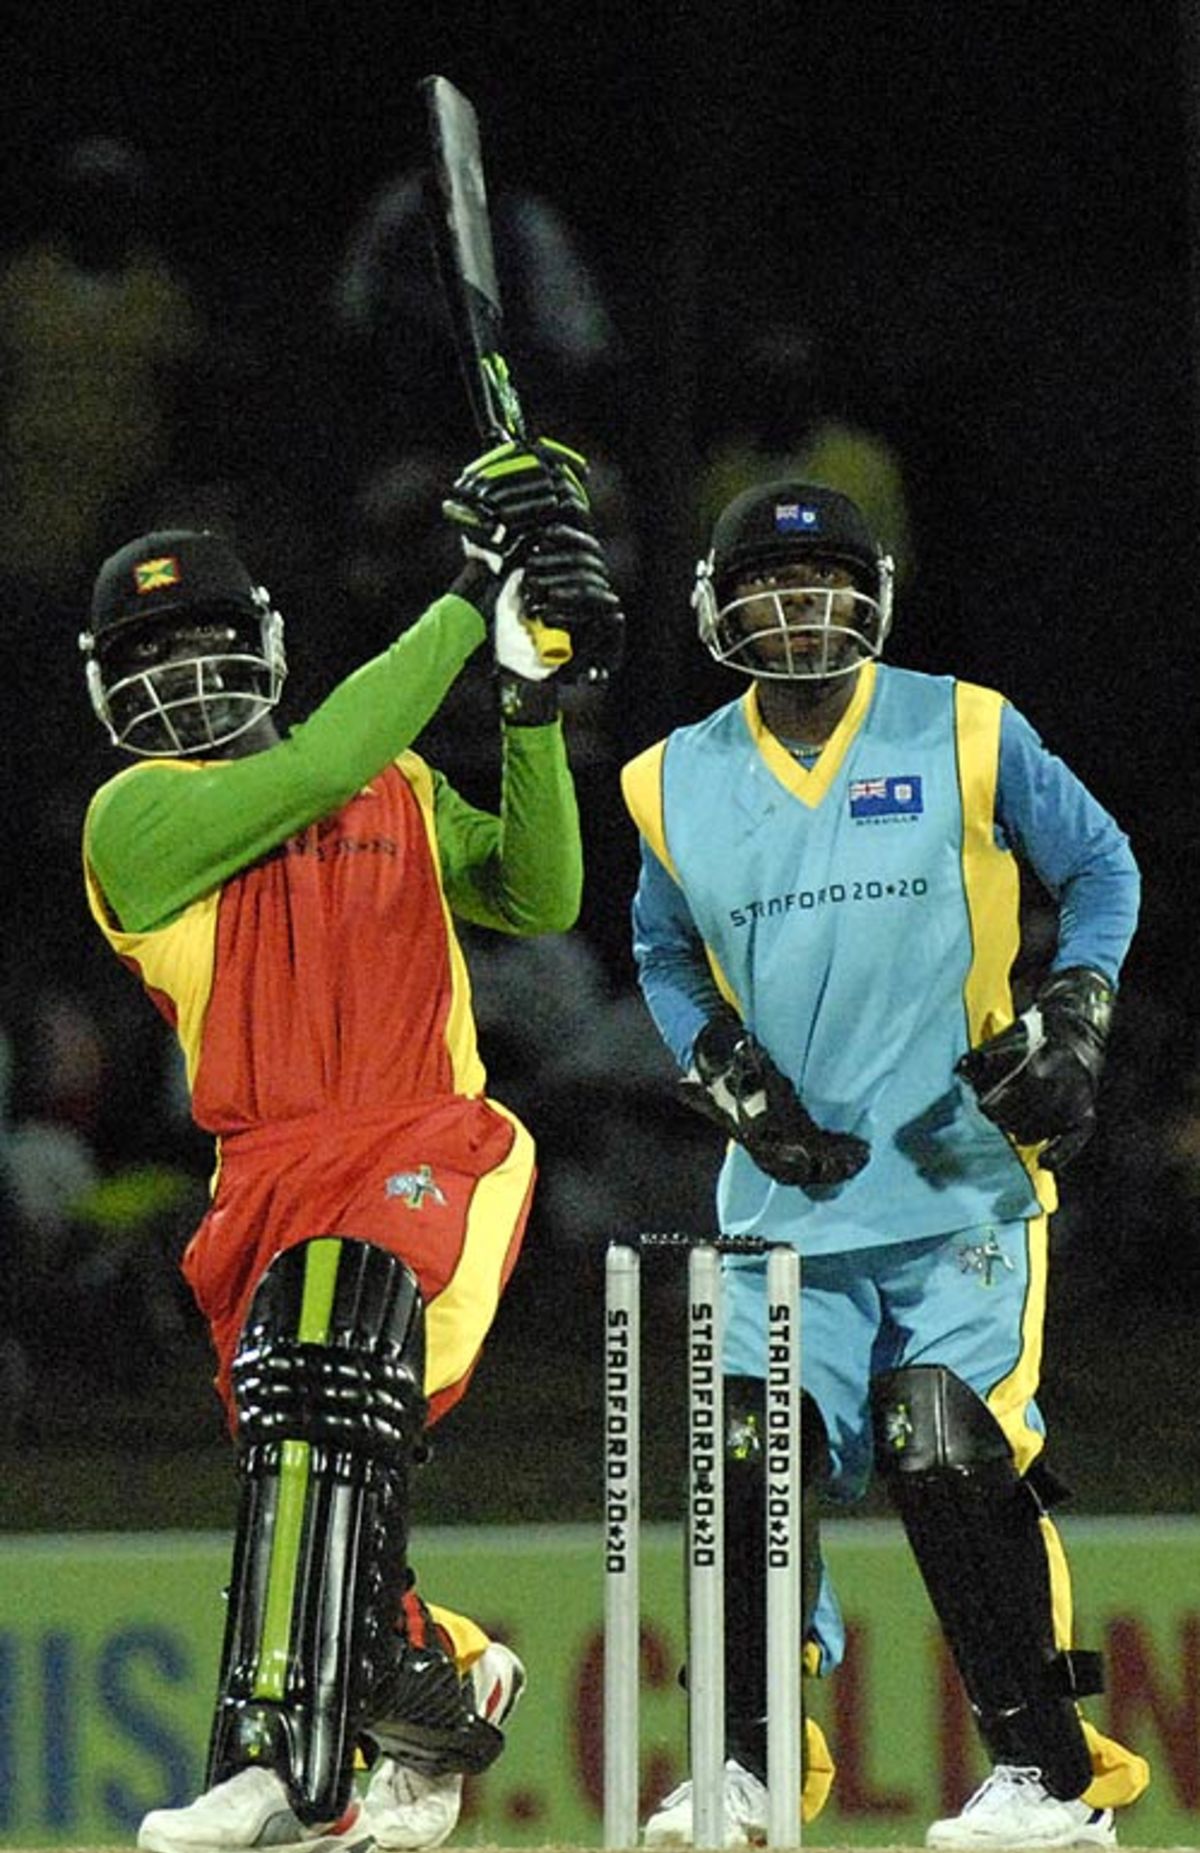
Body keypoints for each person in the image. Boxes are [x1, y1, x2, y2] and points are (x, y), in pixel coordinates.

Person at [77, 435, 623, 1853]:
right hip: (263, 1178)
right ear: (106, 690)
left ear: (264, 642)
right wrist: (469, 594)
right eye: (151, 655)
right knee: (311, 1451)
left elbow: (542, 888)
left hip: (424, 1135)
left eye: (207, 640)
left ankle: (282, 1759)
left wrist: (525, 701)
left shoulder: (395, 787)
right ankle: (436, 1683)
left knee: (324, 1363)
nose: (185, 676)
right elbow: (320, 760)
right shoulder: (135, 818)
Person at [619, 479, 1149, 1847]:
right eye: (771, 589)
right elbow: (663, 947)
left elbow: (1101, 866)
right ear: (719, 608)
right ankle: (746, 1761)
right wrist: (725, 1073)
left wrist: (1077, 1014)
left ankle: (1052, 1775)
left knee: (944, 1433)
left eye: (826, 584)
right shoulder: (669, 777)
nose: (799, 611)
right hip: (783, 1202)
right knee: (750, 1452)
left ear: (875, 595)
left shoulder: (964, 724)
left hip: (961, 1183)